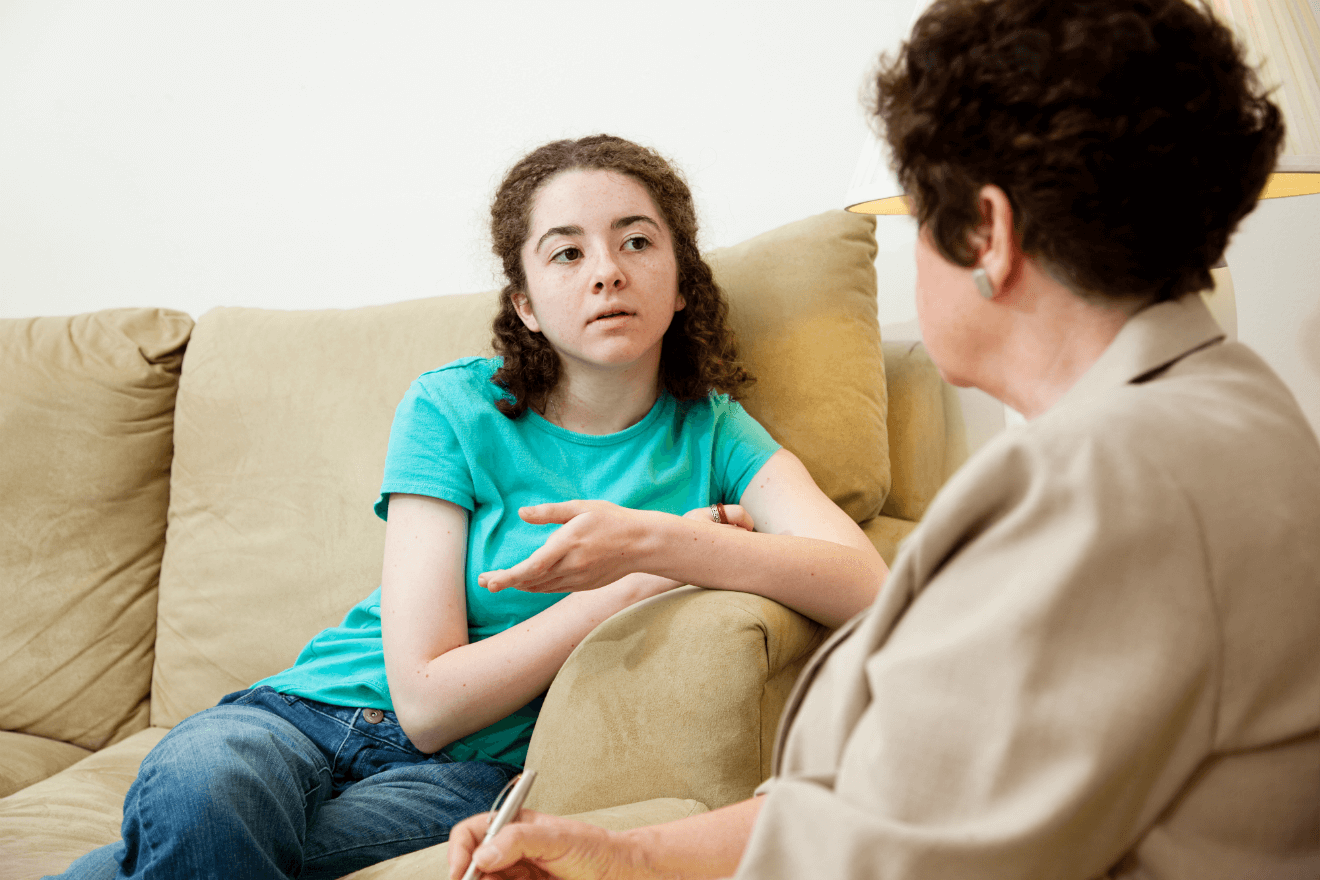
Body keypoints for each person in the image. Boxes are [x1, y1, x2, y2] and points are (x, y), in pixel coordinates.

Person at [448, 2, 1320, 879]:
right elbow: (912, 803)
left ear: (987, 235)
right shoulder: (1232, 410)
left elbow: (895, 858)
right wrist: (622, 856)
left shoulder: (1108, 486)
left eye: (916, 215)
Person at [50, 135, 886, 880]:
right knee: (209, 794)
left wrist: (660, 545)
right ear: (524, 301)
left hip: (467, 775)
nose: (607, 270)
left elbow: (867, 586)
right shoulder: (452, 408)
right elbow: (424, 697)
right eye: (566, 254)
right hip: (306, 715)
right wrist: (628, 583)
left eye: (638, 241)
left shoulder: (714, 434)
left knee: (210, 845)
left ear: (679, 286)